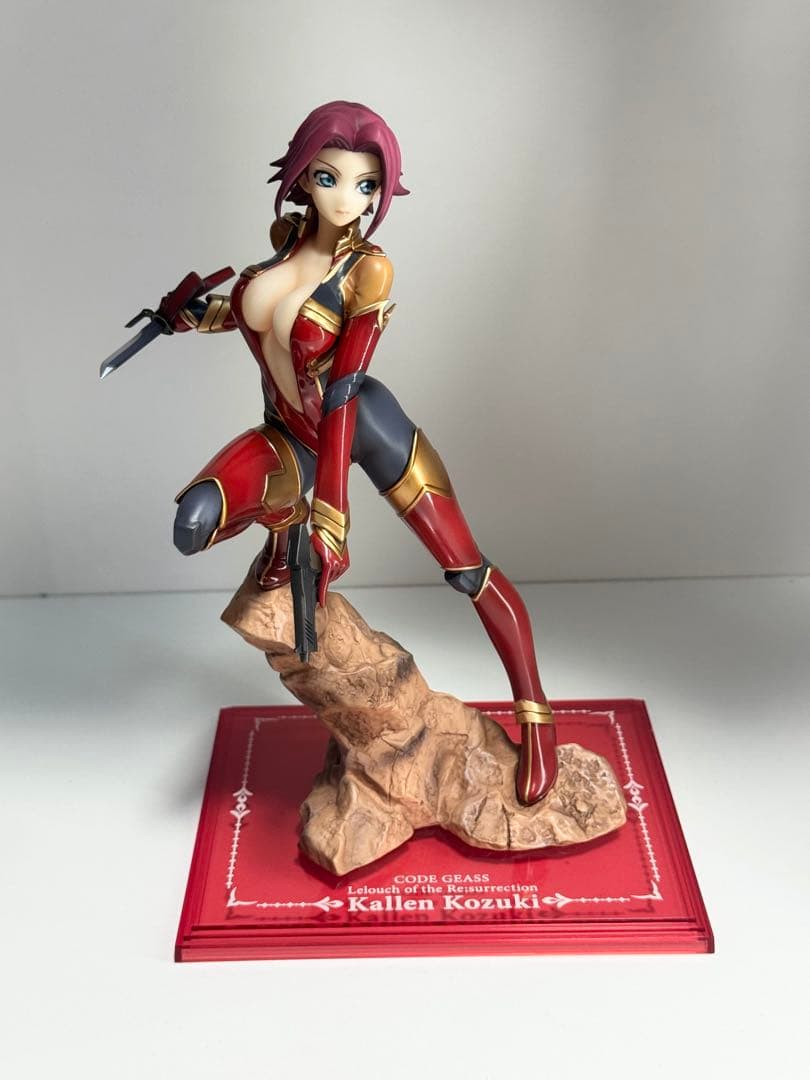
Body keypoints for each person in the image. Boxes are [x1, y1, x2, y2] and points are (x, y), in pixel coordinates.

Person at [153, 101, 557, 805]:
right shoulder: (281, 247)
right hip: (289, 434)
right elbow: (253, 321)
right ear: (302, 174)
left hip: (364, 425)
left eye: (367, 185)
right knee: (193, 522)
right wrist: (185, 316)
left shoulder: (368, 270)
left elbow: (341, 393)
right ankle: (285, 535)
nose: (349, 200)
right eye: (330, 178)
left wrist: (334, 520)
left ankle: (536, 714)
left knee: (467, 568)